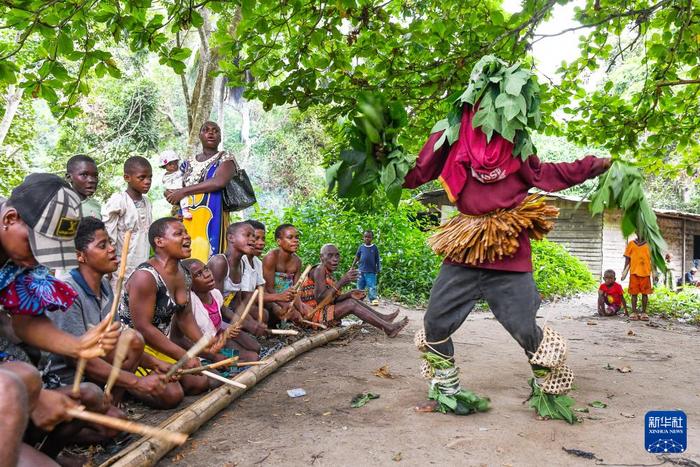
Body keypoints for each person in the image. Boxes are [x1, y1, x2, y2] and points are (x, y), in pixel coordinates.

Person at [402, 56, 611, 415]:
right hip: (465, 248)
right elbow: (417, 172)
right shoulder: (450, 133)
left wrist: (591, 166)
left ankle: (549, 390)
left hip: (508, 247)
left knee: (524, 327)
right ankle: (446, 390)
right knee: (435, 321)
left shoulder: (517, 142)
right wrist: (384, 159)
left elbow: (546, 175)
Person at [0, 174, 122, 461]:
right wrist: (32, 394)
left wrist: (76, 345)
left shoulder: (18, 255)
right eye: (35, 247)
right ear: (10, 219)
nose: (36, 260)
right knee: (20, 380)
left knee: (27, 378)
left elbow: (26, 318)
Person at [48, 217, 180, 407]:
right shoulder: (66, 292)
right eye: (103, 245)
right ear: (80, 256)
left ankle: (113, 403)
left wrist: (155, 363)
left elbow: (116, 342)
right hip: (71, 378)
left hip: (99, 366)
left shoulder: (105, 286)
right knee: (133, 339)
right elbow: (77, 358)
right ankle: (107, 408)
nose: (112, 248)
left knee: (171, 394)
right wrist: (137, 382)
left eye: (110, 242)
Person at [118, 218, 217, 401]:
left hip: (159, 345)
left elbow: (185, 317)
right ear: (159, 241)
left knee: (199, 383)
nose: (187, 237)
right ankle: (125, 384)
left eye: (186, 232)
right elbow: (143, 328)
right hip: (135, 350)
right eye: (179, 233)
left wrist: (206, 344)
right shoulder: (145, 277)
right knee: (172, 395)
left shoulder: (184, 273)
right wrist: (184, 355)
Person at [165, 121, 238, 262]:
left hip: (212, 216)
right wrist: (169, 194)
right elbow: (171, 185)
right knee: (186, 254)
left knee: (210, 258)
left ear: (220, 137)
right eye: (206, 130)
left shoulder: (225, 158)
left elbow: (219, 182)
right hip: (187, 217)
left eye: (215, 130)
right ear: (199, 135)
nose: (211, 133)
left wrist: (183, 192)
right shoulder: (187, 163)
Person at [299, 244, 406, 336]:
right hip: (313, 316)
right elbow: (320, 299)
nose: (335, 259)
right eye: (330, 255)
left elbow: (331, 299)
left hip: (321, 311)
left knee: (352, 300)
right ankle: (389, 329)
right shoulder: (319, 269)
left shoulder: (327, 272)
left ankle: (384, 319)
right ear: (321, 257)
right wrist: (342, 281)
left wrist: (349, 294)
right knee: (351, 304)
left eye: (337, 255)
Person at [181, 258, 259, 363]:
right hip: (202, 350)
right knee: (252, 357)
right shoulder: (190, 303)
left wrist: (228, 329)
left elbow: (217, 323)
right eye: (198, 274)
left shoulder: (215, 294)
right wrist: (224, 335)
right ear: (188, 282)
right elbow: (194, 339)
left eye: (206, 269)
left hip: (218, 339)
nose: (207, 274)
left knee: (256, 347)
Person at [102, 156, 153, 289]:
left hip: (142, 264)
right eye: (142, 178)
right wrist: (108, 265)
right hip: (121, 267)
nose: (147, 182)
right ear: (127, 178)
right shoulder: (119, 201)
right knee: (118, 300)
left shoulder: (147, 202)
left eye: (150, 177)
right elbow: (108, 233)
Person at [261, 223, 309, 323]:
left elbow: (296, 290)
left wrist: (300, 307)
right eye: (290, 237)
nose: (295, 240)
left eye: (297, 237)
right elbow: (269, 288)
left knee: (307, 312)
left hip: (289, 300)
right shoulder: (271, 257)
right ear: (279, 241)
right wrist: (285, 305)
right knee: (282, 311)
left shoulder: (297, 261)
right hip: (272, 300)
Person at [622, 236, 653, 321]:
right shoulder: (631, 244)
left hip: (646, 273)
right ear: (636, 231)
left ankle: (644, 312)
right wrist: (624, 271)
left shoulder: (650, 245)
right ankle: (634, 312)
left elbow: (653, 260)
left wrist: (655, 273)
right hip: (634, 273)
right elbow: (627, 259)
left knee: (645, 294)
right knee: (634, 294)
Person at [65, 154, 101, 219]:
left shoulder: (96, 205)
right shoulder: (63, 206)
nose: (92, 180)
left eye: (95, 176)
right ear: (69, 178)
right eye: (84, 175)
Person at [160, 149, 192, 219]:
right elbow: (168, 187)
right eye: (170, 164)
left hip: (183, 190)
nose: (173, 166)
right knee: (183, 198)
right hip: (175, 192)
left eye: (175, 163)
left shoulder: (181, 170)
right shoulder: (166, 177)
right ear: (164, 166)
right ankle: (185, 211)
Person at [355, 230, 381, 306]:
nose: (367, 238)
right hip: (361, 270)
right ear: (363, 238)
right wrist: (352, 266)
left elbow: (377, 259)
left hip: (371, 271)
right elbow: (357, 257)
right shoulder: (361, 247)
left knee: (371, 286)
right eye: (365, 237)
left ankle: (373, 299)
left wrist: (378, 268)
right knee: (360, 286)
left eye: (369, 237)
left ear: (372, 238)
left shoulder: (374, 247)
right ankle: (359, 299)